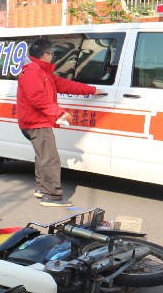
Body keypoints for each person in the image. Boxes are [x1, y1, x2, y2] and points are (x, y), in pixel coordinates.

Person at [17, 37, 106, 207]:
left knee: (43, 156)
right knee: (50, 158)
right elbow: (36, 98)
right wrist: (58, 112)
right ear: (44, 55)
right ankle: (52, 196)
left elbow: (65, 85)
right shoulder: (32, 72)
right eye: (51, 53)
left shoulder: (43, 72)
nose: (53, 56)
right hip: (35, 122)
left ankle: (42, 188)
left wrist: (93, 90)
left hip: (37, 121)